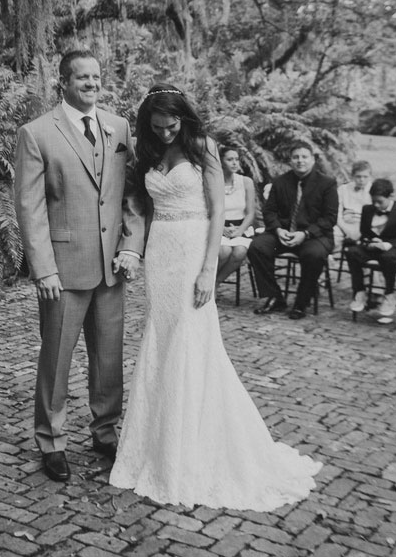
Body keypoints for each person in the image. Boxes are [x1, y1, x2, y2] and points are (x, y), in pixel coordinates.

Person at [109, 84, 321, 510]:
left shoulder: (203, 145)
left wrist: (209, 269)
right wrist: (133, 246)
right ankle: (154, 443)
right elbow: (139, 202)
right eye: (157, 127)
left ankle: (189, 447)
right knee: (162, 339)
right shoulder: (146, 146)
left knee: (192, 342)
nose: (166, 133)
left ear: (183, 119)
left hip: (193, 248)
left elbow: (217, 210)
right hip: (161, 251)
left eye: (171, 126)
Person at [14, 50, 146, 483]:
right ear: (64, 83)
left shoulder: (119, 127)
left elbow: (131, 197)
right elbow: (29, 208)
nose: (91, 83)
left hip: (113, 268)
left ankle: (104, 431)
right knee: (56, 358)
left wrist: (132, 246)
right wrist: (44, 269)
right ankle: (51, 441)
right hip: (64, 268)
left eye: (96, 76)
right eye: (82, 77)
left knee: (108, 358)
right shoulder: (36, 134)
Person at [248, 141, 338, 320]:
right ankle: (275, 297)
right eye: (296, 157)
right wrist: (278, 230)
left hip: (313, 236)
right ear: (290, 160)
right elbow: (269, 211)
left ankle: (301, 303)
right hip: (283, 235)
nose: (300, 161)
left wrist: (305, 234)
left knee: (314, 255)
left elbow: (329, 219)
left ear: (313, 159)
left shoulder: (326, 184)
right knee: (258, 246)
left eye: (304, 157)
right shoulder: (281, 182)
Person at [346, 177, 396, 324]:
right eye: (373, 201)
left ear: (390, 197)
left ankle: (389, 294)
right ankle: (359, 292)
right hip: (373, 248)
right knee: (351, 252)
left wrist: (387, 244)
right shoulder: (367, 210)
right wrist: (370, 243)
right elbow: (364, 234)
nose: (376, 204)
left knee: (388, 258)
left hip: (392, 249)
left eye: (380, 201)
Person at [216, 145, 256, 286]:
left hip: (241, 228)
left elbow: (251, 213)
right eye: (229, 159)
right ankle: (208, 280)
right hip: (218, 227)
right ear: (220, 162)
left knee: (239, 252)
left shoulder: (246, 182)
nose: (234, 163)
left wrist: (240, 230)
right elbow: (208, 211)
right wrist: (221, 229)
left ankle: (215, 283)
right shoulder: (213, 182)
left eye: (237, 159)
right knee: (224, 251)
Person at [335, 160, 372, 245]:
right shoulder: (343, 189)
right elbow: (337, 213)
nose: (361, 180)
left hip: (364, 226)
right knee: (333, 235)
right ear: (352, 176)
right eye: (358, 176)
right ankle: (333, 257)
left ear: (370, 176)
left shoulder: (373, 190)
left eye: (365, 177)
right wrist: (345, 229)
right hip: (344, 224)